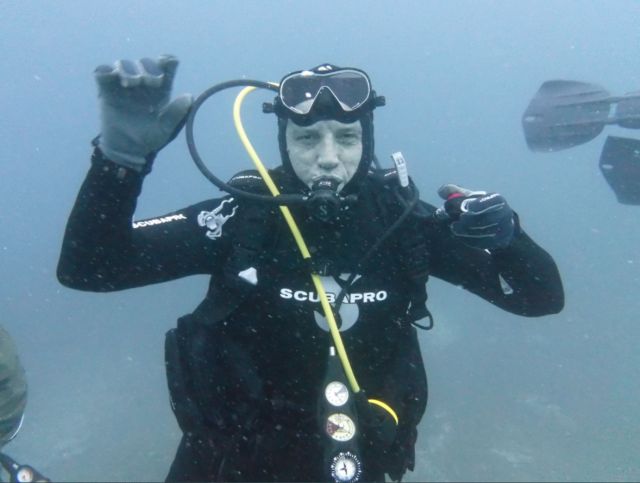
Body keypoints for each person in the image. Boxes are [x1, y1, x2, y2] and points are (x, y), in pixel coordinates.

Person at [57, 55, 564, 482]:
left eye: (346, 137)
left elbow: (538, 298)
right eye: (306, 139)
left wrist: (510, 239)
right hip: (224, 465)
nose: (327, 158)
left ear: (367, 140)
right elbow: (90, 268)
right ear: (283, 142)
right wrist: (119, 162)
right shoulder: (242, 217)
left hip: (359, 460)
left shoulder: (404, 223)